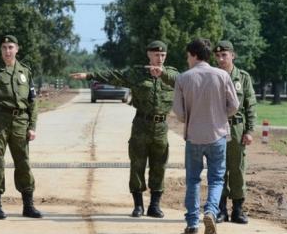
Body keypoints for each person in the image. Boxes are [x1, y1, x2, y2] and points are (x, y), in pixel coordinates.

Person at [70, 40, 179, 218]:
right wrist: (88, 75)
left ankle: (155, 205)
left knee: (159, 166)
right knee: (137, 164)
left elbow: (189, 87)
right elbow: (113, 75)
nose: (160, 58)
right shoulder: (137, 73)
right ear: (149, 55)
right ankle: (138, 206)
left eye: (162, 55)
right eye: (156, 54)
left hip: (161, 127)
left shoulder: (172, 75)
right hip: (141, 125)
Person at [172, 38, 239, 234]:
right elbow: (234, 106)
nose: (187, 59)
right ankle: (210, 211)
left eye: (187, 55)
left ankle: (192, 223)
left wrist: (192, 118)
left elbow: (179, 112)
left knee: (193, 179)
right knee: (217, 179)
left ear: (193, 55)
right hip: (217, 135)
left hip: (193, 136)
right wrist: (219, 115)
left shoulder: (183, 78)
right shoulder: (222, 75)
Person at [0, 35, 42, 220]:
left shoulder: (25, 71)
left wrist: (32, 126)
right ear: (1, 50)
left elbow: (33, 101)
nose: (7, 51)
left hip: (21, 122)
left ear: (17, 49)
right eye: (4, 47)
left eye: (11, 47)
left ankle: (28, 205)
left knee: (23, 162)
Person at [213, 40, 257, 224]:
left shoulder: (243, 77)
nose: (221, 59)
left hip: (237, 129)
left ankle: (238, 210)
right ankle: (221, 210)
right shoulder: (212, 76)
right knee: (219, 169)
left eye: (224, 55)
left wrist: (250, 130)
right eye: (217, 56)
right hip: (217, 128)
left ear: (233, 55)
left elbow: (250, 105)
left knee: (237, 168)